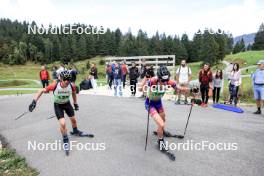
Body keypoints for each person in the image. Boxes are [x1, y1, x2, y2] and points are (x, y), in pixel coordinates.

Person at [28, 70, 93, 155]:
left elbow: (73, 94)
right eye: (65, 79)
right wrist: (34, 101)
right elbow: (41, 91)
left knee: (73, 120)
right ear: (61, 79)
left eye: (68, 79)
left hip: (67, 104)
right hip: (58, 105)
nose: (66, 81)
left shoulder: (71, 85)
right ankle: (65, 140)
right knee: (63, 123)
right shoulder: (55, 86)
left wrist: (75, 103)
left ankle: (75, 131)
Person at [139, 66, 186, 151]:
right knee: (161, 123)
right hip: (150, 104)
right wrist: (146, 78)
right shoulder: (153, 80)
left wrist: (190, 90)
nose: (165, 83)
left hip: (158, 103)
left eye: (166, 80)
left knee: (163, 119)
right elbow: (140, 89)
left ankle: (161, 132)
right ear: (159, 78)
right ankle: (160, 141)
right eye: (163, 81)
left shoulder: (168, 81)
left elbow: (178, 89)